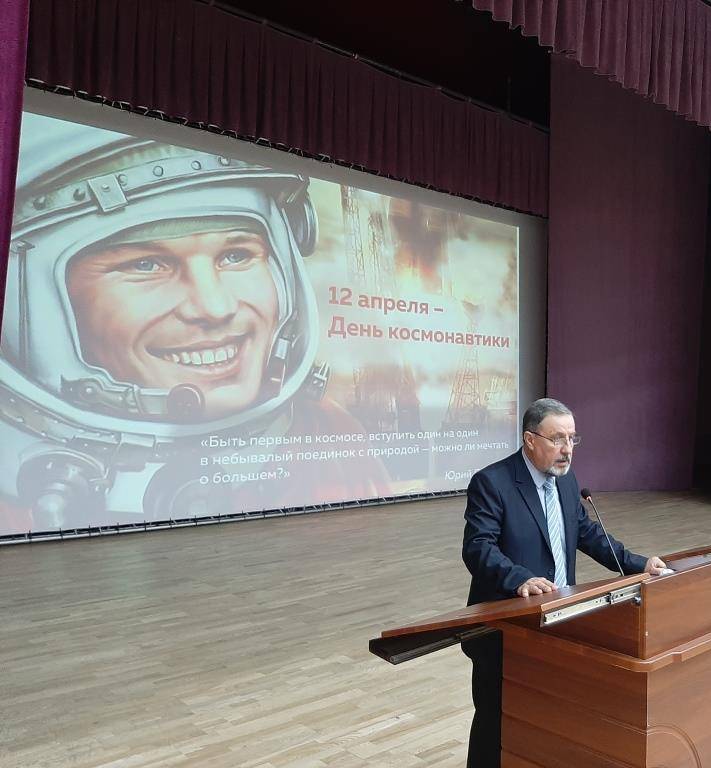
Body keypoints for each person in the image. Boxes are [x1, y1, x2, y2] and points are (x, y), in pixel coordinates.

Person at [0, 114, 388, 535]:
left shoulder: (327, 432)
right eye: (146, 265)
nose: (215, 307)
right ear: (31, 298)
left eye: (236, 256)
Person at [461, 397, 669, 768]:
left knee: (548, 715)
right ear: (529, 440)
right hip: (506, 629)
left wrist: (638, 565)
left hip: (559, 621)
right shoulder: (493, 483)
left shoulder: (566, 481)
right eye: (557, 439)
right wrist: (520, 578)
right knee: (496, 720)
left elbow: (586, 533)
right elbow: (478, 548)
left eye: (572, 439)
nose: (568, 449)